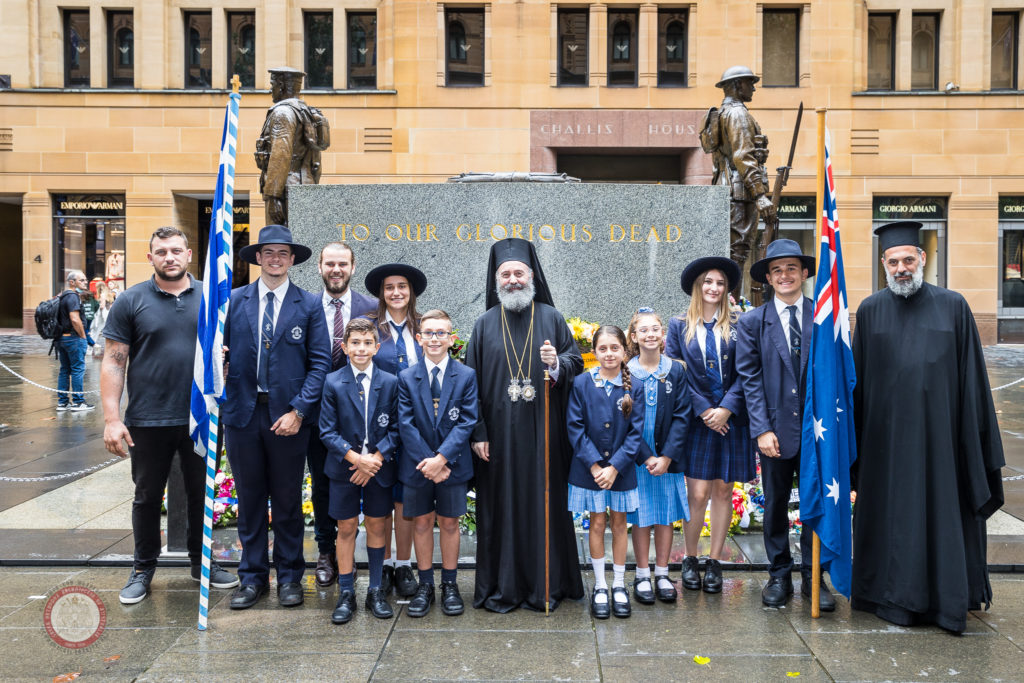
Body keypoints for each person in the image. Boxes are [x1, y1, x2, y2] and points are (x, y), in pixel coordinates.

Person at [851, 221, 1005, 634]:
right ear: (883, 264)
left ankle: (944, 603)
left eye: (908, 259)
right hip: (886, 446)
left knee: (941, 516)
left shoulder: (953, 306)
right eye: (893, 261)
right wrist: (855, 458)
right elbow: (858, 388)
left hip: (942, 443)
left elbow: (971, 380)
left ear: (922, 259)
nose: (901, 268)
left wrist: (974, 441)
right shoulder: (869, 311)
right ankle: (887, 597)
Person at [101, 227, 239, 605]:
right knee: (146, 496)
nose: (170, 257)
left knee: (202, 494)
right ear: (150, 258)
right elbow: (114, 362)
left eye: (176, 250)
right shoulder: (131, 300)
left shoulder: (213, 300)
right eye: (161, 252)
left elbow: (227, 354)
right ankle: (143, 568)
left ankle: (201, 563)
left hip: (202, 416)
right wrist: (113, 419)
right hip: (148, 418)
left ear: (190, 254)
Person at [465, 238, 584, 613]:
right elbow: (469, 385)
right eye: (506, 274)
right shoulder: (483, 324)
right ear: (496, 279)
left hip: (543, 435)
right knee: (501, 509)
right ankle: (503, 586)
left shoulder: (551, 316)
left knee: (543, 506)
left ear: (531, 276)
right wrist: (478, 433)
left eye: (519, 273)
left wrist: (555, 364)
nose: (513, 280)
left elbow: (576, 362)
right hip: (497, 441)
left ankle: (546, 584)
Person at [221, 224, 330, 610]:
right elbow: (217, 351)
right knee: (250, 500)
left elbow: (319, 363)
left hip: (288, 416)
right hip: (243, 414)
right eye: (269, 253)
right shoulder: (233, 300)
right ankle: (251, 578)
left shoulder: (310, 304)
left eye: (283, 253)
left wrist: (299, 410)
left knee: (285, 500)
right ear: (258, 258)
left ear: (292, 259)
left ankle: (289, 577)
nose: (276, 259)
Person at [736, 239, 835, 611]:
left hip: (816, 432)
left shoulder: (823, 316)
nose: (785, 275)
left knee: (815, 503)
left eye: (792, 268)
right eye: (777, 270)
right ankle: (779, 573)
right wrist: (761, 428)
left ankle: (814, 575)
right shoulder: (752, 322)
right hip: (774, 432)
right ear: (767, 278)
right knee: (775, 503)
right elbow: (749, 378)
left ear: (805, 273)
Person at [666, 257, 754, 594]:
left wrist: (727, 409)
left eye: (719, 283)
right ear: (697, 287)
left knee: (722, 490)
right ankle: (690, 558)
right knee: (697, 492)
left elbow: (747, 370)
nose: (713, 288)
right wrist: (705, 410)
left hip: (732, 421)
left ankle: (715, 561)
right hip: (697, 420)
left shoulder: (741, 325)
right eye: (707, 282)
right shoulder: (678, 326)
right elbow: (677, 372)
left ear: (726, 288)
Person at [396, 309, 479, 618]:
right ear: (419, 338)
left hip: (452, 465)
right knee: (420, 522)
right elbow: (405, 424)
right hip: (417, 466)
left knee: (449, 522)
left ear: (451, 339)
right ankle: (426, 584)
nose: (434, 339)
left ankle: (450, 584)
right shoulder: (406, 378)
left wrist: (441, 459)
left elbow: (467, 421)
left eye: (440, 333)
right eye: (428, 333)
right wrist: (428, 462)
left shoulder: (466, 376)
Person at [319, 317, 399, 624]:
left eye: (367, 343)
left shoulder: (391, 382)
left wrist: (374, 460)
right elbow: (327, 432)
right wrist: (357, 459)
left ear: (376, 347)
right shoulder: (333, 382)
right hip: (345, 469)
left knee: (378, 525)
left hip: (379, 467)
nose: (361, 348)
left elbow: (396, 427)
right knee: (347, 527)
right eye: (355, 343)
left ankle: (376, 590)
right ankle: (347, 591)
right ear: (344, 347)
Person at [309, 242, 378, 589]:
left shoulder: (372, 307)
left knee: (370, 483)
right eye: (330, 264)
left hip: (364, 414)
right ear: (320, 267)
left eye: (343, 264)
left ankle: (377, 557)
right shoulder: (305, 306)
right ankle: (326, 550)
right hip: (319, 415)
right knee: (324, 483)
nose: (336, 270)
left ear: (353, 267)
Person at [567, 325, 643, 619]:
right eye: (603, 348)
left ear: (625, 351)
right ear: (594, 352)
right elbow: (574, 427)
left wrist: (615, 467)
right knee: (597, 523)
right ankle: (600, 585)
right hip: (590, 470)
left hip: (621, 471)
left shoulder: (634, 385)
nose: (609, 354)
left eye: (615, 348)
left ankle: (619, 584)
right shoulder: (582, 383)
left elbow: (636, 434)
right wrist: (596, 465)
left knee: (620, 524)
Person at [362, 263, 427, 599]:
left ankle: (404, 564)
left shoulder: (423, 328)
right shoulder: (370, 328)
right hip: (379, 428)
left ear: (411, 291)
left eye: (402, 286)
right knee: (380, 501)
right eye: (389, 287)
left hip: (415, 430)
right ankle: (383, 565)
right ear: (381, 293)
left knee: (405, 501)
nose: (396, 292)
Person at [625, 308, 690, 603]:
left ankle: (662, 572)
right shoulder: (626, 372)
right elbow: (624, 420)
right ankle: (641, 575)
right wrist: (646, 456)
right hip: (639, 456)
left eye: (656, 329)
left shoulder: (675, 370)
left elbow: (682, 415)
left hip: (666, 457)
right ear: (634, 337)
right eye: (644, 330)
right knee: (642, 516)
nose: (650, 334)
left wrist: (666, 457)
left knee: (664, 516)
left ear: (663, 335)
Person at [706, 66, 776, 272]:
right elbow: (742, 156)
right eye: (750, 83)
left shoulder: (723, 113)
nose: (753, 88)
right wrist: (760, 195)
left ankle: (729, 301)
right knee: (739, 251)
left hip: (728, 189)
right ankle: (730, 302)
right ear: (737, 85)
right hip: (740, 193)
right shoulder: (738, 114)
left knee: (732, 252)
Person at [255, 66, 330, 225]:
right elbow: (316, 162)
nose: (270, 89)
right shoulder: (306, 112)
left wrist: (274, 195)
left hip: (285, 190)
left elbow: (280, 155)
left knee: (279, 242)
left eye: (272, 84)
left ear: (281, 85)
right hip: (305, 185)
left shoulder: (283, 113)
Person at [55, 270, 92, 412]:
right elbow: (75, 319)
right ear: (72, 282)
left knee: (64, 370)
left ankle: (63, 403)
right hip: (73, 339)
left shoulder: (62, 296)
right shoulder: (72, 297)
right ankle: (78, 402)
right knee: (77, 370)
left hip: (62, 339)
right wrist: (83, 336)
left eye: (85, 279)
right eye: (81, 280)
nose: (85, 282)